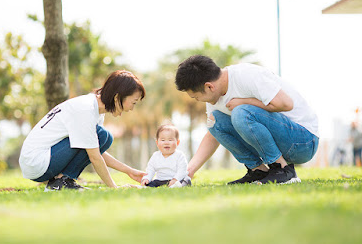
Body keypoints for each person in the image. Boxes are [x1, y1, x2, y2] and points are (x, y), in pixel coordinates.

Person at [175, 55, 319, 184]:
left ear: (209, 86)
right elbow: (213, 134)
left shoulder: (245, 75)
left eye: (196, 97)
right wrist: (189, 171)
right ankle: (258, 171)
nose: (198, 100)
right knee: (215, 121)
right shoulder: (214, 95)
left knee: (240, 112)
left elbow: (286, 104)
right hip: (282, 141)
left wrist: (245, 102)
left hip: (303, 141)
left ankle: (283, 170)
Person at [19, 70, 147, 191]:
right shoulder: (85, 110)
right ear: (117, 97)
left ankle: (62, 182)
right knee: (103, 135)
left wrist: (129, 171)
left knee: (104, 138)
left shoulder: (94, 109)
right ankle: (61, 182)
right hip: (37, 161)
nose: (131, 109)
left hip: (40, 161)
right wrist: (114, 188)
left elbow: (95, 150)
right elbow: (94, 156)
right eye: (134, 102)